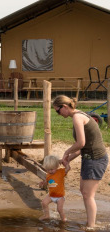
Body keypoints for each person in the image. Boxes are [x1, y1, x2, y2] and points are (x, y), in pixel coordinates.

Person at [53, 95, 108, 228]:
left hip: (96, 159)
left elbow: (81, 143)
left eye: (57, 111)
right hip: (89, 158)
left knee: (88, 195)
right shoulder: (78, 115)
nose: (58, 114)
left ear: (65, 107)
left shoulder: (77, 117)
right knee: (84, 192)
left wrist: (66, 152)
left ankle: (91, 226)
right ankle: (90, 222)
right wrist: (67, 159)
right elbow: (83, 147)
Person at [39, 154, 71, 221]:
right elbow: (47, 183)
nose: (50, 171)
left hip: (60, 196)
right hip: (51, 195)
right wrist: (42, 184)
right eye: (48, 170)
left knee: (59, 209)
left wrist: (65, 163)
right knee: (44, 203)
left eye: (52, 169)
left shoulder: (60, 172)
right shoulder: (48, 175)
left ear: (56, 166)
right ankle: (46, 215)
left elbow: (68, 168)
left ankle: (63, 219)